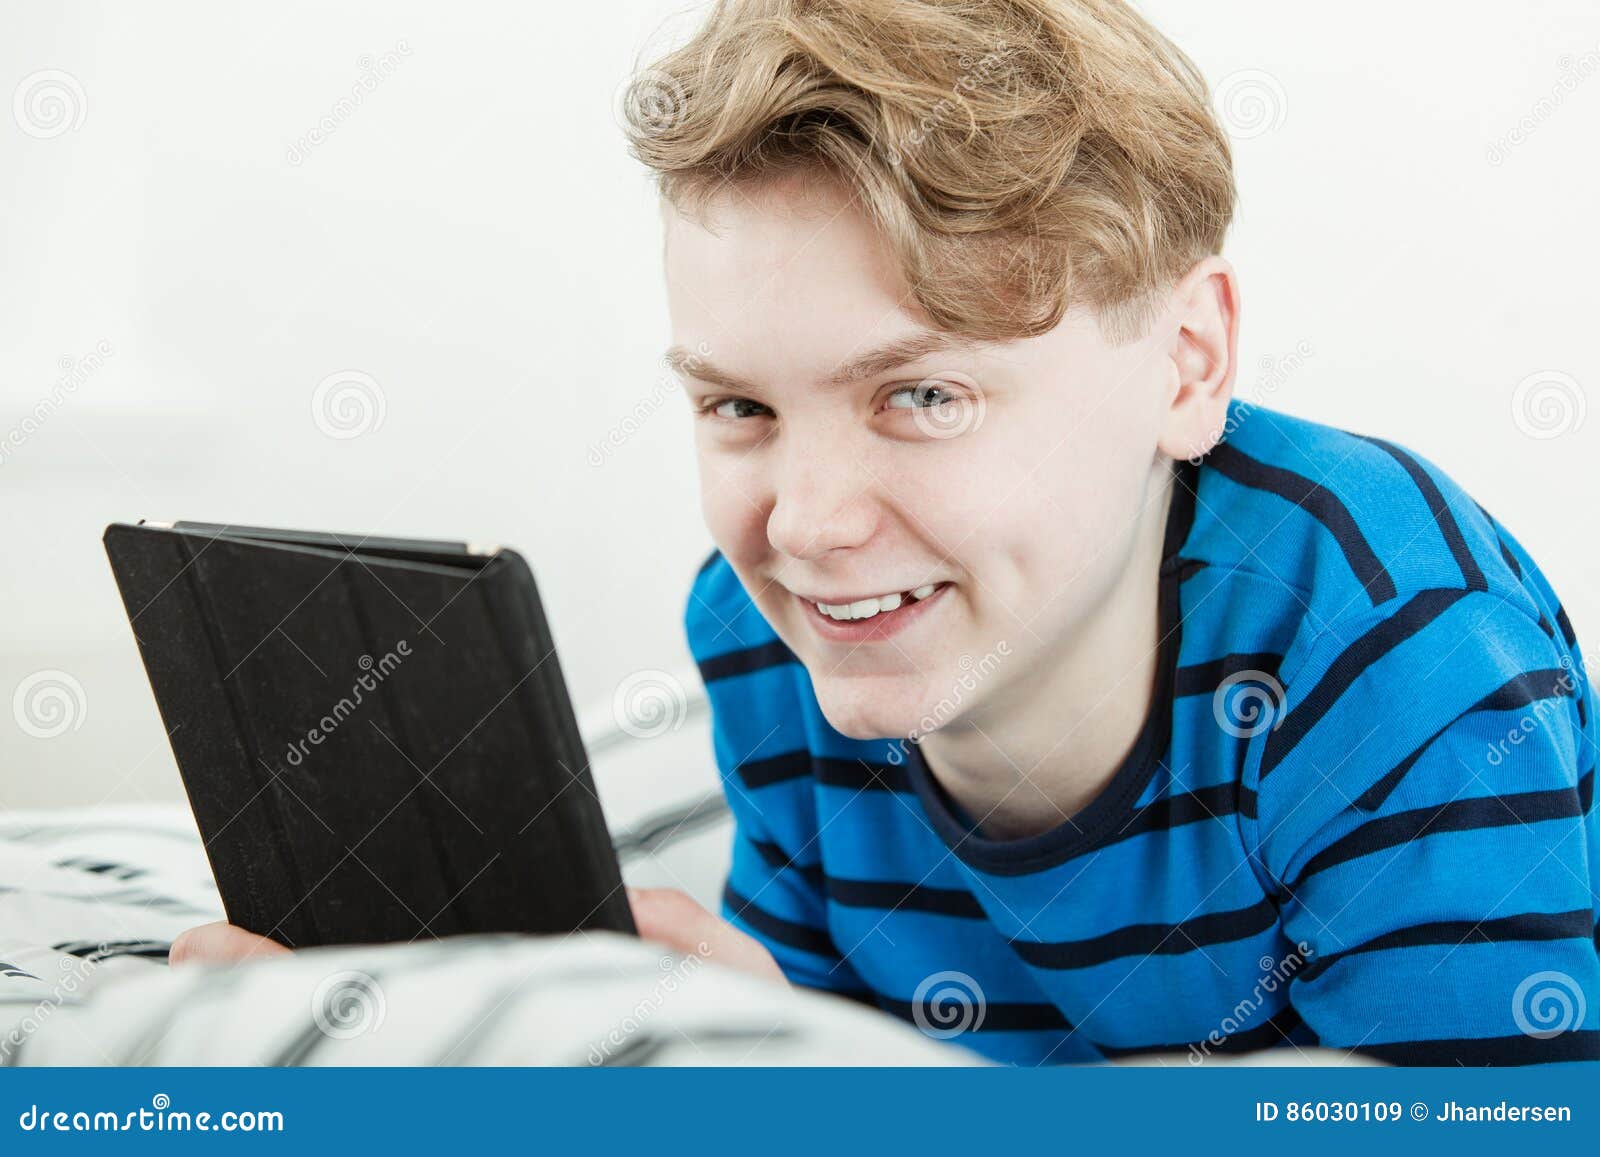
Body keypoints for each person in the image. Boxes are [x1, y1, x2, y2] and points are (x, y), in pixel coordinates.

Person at [176, 0, 1598, 1065]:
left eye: (921, 393)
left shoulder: (1392, 646)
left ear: (1185, 363)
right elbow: (846, 1052)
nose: (804, 523)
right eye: (739, 406)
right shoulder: (763, 634)